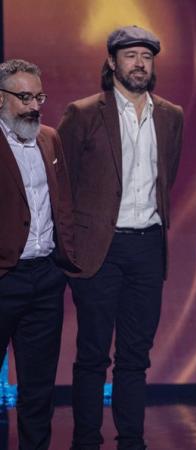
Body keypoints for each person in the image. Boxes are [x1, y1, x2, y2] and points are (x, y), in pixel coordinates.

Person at [57, 26, 184, 450]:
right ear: (112, 61)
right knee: (92, 354)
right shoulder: (83, 112)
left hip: (147, 245)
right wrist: (71, 246)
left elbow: (169, 176)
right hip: (99, 248)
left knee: (136, 356)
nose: (139, 63)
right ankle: (86, 441)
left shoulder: (171, 115)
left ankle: (132, 440)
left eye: (146, 56)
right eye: (130, 55)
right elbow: (63, 181)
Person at [0, 58, 77, 450]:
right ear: (1, 99)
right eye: (24, 97)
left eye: (39, 96)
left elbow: (60, 203)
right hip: (4, 278)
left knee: (39, 388)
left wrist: (65, 262)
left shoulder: (49, 138)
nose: (34, 105)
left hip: (45, 279)